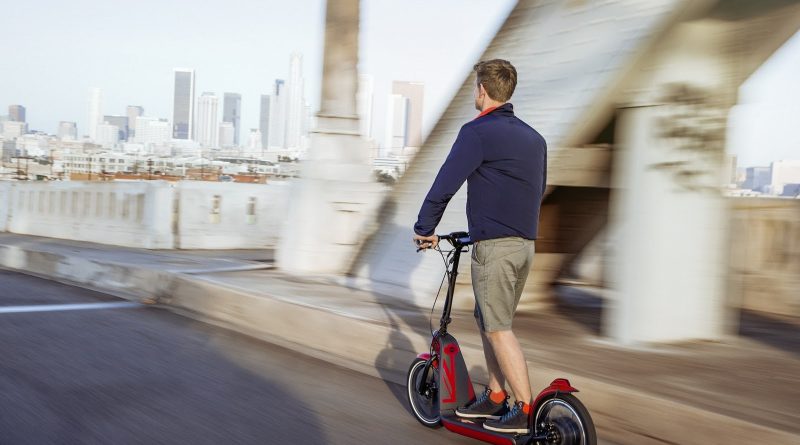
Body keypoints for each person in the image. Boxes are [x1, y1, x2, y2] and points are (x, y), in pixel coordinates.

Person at [413, 59, 547, 434]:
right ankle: (495, 395)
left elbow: (445, 184)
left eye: (475, 88)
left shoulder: (477, 132)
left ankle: (523, 409)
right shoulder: (535, 139)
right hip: (523, 245)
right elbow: (528, 194)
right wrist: (478, 232)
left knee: (498, 328)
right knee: (489, 321)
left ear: (482, 91)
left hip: (497, 250)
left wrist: (425, 228)